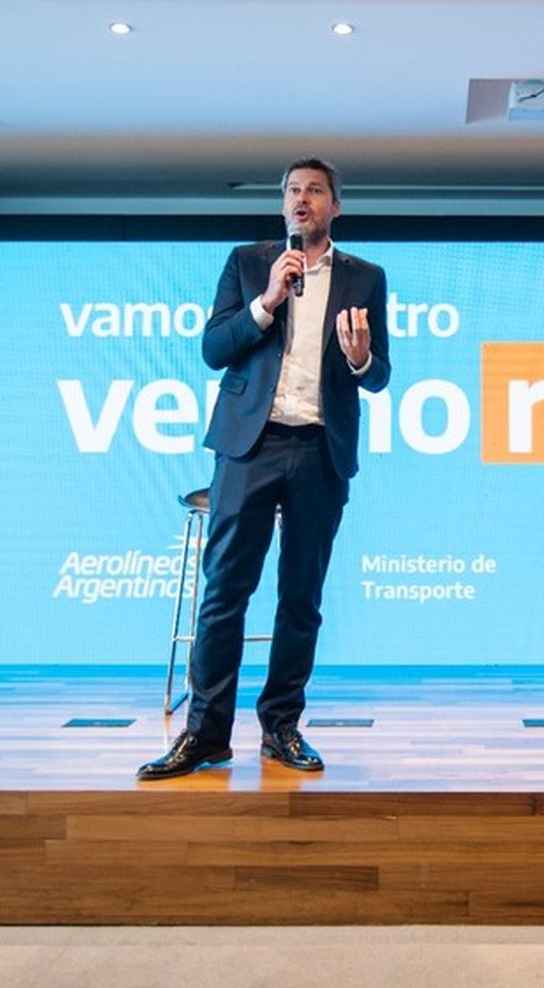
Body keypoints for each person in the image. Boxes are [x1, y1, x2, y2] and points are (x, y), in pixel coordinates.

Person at [138, 158, 390, 780]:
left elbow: (380, 374)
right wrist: (268, 301)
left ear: (336, 206)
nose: (302, 200)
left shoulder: (367, 277)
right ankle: (205, 735)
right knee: (224, 592)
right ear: (283, 205)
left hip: (320, 449)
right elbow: (212, 349)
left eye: (315, 191)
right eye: (293, 191)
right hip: (249, 446)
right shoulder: (250, 263)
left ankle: (281, 727)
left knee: (300, 597)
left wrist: (360, 359)